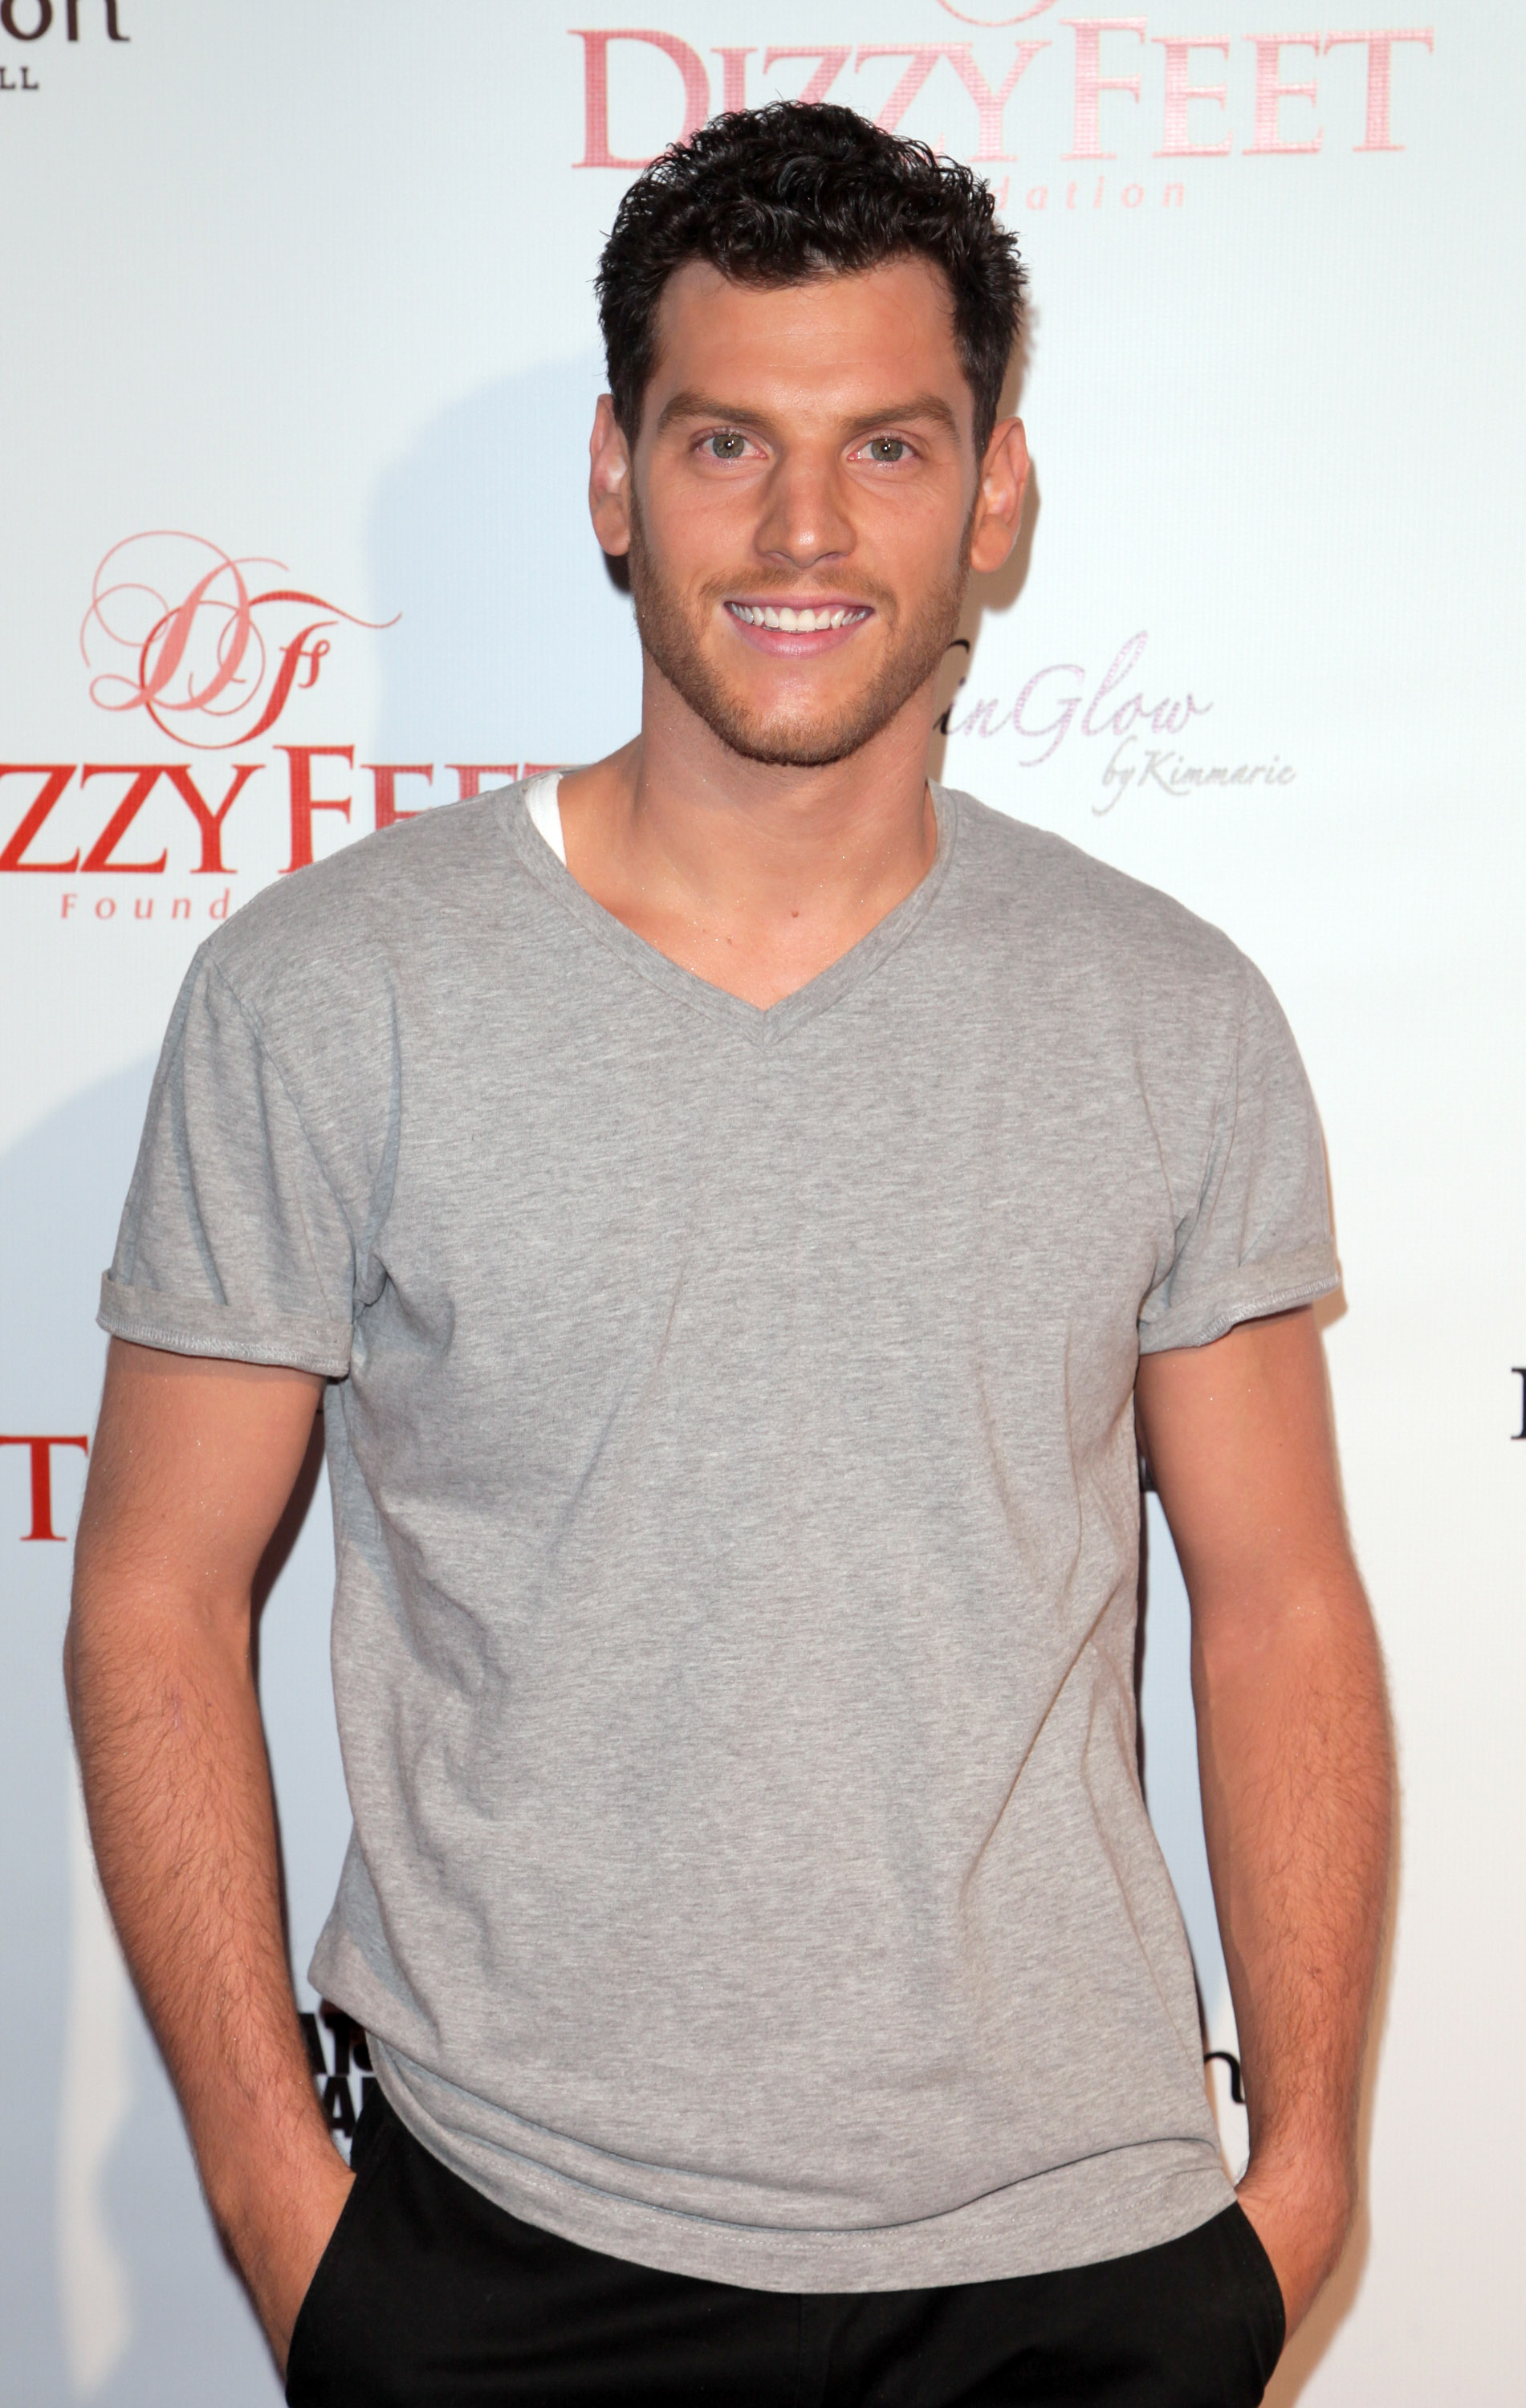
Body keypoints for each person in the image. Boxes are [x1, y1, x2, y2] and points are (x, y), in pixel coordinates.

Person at [67, 102, 1391, 2407]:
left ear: (996, 496)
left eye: (887, 448)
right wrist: (292, 2220)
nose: (800, 530)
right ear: (614, 477)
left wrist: (1305, 2192)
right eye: (723, 443)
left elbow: (1279, 1600)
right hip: (499, 2252)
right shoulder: (330, 990)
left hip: (1082, 2271)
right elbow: (156, 1597)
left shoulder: (1171, 1016)